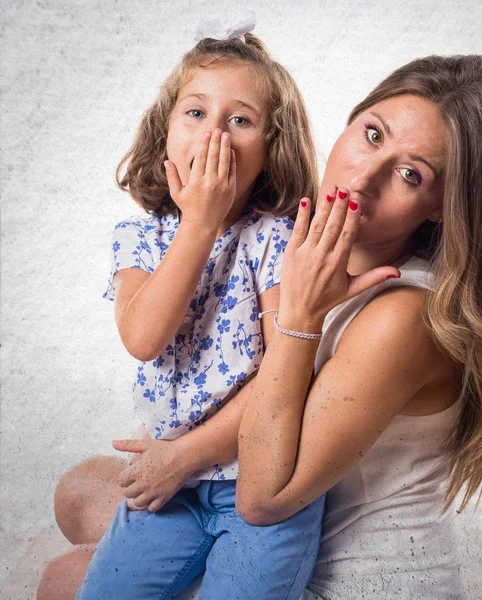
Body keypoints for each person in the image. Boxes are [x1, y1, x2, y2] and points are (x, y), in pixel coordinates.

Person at [233, 54, 482, 600]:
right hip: (274, 559)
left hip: (353, 584)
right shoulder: (300, 255)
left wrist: (299, 318)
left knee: (71, 574)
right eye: (372, 134)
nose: (362, 179)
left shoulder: (404, 316)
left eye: (409, 174)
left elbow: (262, 500)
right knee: (84, 494)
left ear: (444, 207)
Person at [37, 21, 325, 600]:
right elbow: (144, 338)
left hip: (259, 482)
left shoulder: (279, 239)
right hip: (168, 489)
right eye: (195, 113)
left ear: (271, 149)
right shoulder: (137, 240)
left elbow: (284, 379)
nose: (215, 133)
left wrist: (188, 454)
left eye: (240, 120)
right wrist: (198, 222)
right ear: (164, 129)